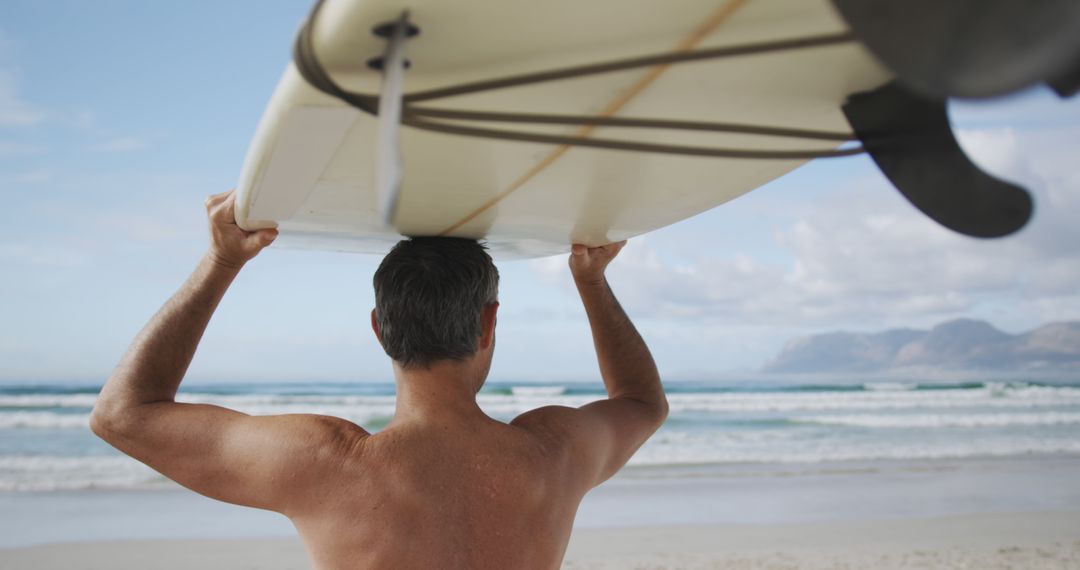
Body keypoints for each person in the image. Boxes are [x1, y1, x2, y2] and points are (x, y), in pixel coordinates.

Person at [91, 189, 669, 570]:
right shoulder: (554, 453)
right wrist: (591, 281)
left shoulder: (323, 464)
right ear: (488, 323)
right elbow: (642, 401)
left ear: (379, 328)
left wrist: (221, 261)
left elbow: (122, 415)